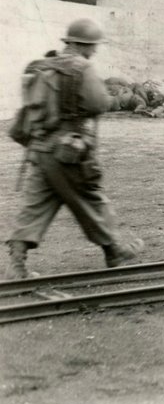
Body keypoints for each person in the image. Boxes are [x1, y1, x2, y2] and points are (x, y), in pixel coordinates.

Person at [5, 18, 143, 279]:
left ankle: (16, 265)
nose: (95, 51)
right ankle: (114, 251)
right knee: (91, 197)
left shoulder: (43, 66)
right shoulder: (82, 68)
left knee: (35, 206)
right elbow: (98, 104)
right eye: (94, 46)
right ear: (86, 45)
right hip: (68, 152)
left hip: (38, 151)